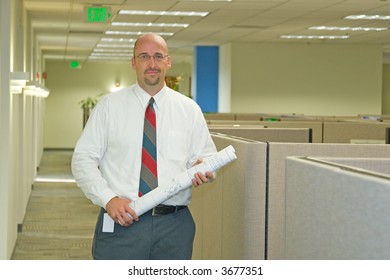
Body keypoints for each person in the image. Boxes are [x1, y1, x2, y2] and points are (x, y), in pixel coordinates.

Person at [71, 33, 217, 260]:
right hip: (122, 223)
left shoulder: (189, 110)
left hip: (174, 226)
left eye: (158, 56)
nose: (152, 64)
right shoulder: (110, 107)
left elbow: (206, 157)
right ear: (133, 62)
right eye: (144, 56)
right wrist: (108, 199)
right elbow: (83, 160)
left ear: (168, 62)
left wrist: (205, 168)